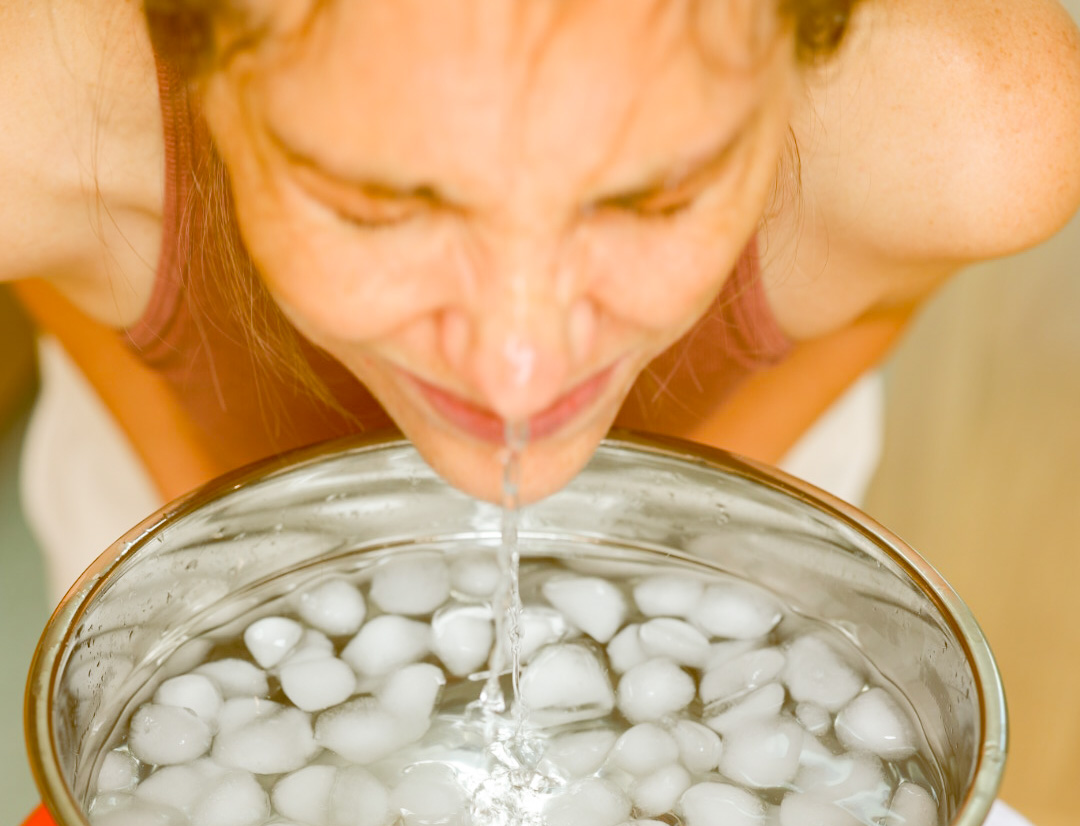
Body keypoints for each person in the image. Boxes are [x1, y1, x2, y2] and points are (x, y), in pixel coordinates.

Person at [4, 0, 1080, 531]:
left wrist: (662, 526)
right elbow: (59, 265)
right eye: (377, 210)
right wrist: (211, 519)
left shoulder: (962, 137)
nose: (518, 378)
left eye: (654, 199)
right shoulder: (43, 126)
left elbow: (879, 296)